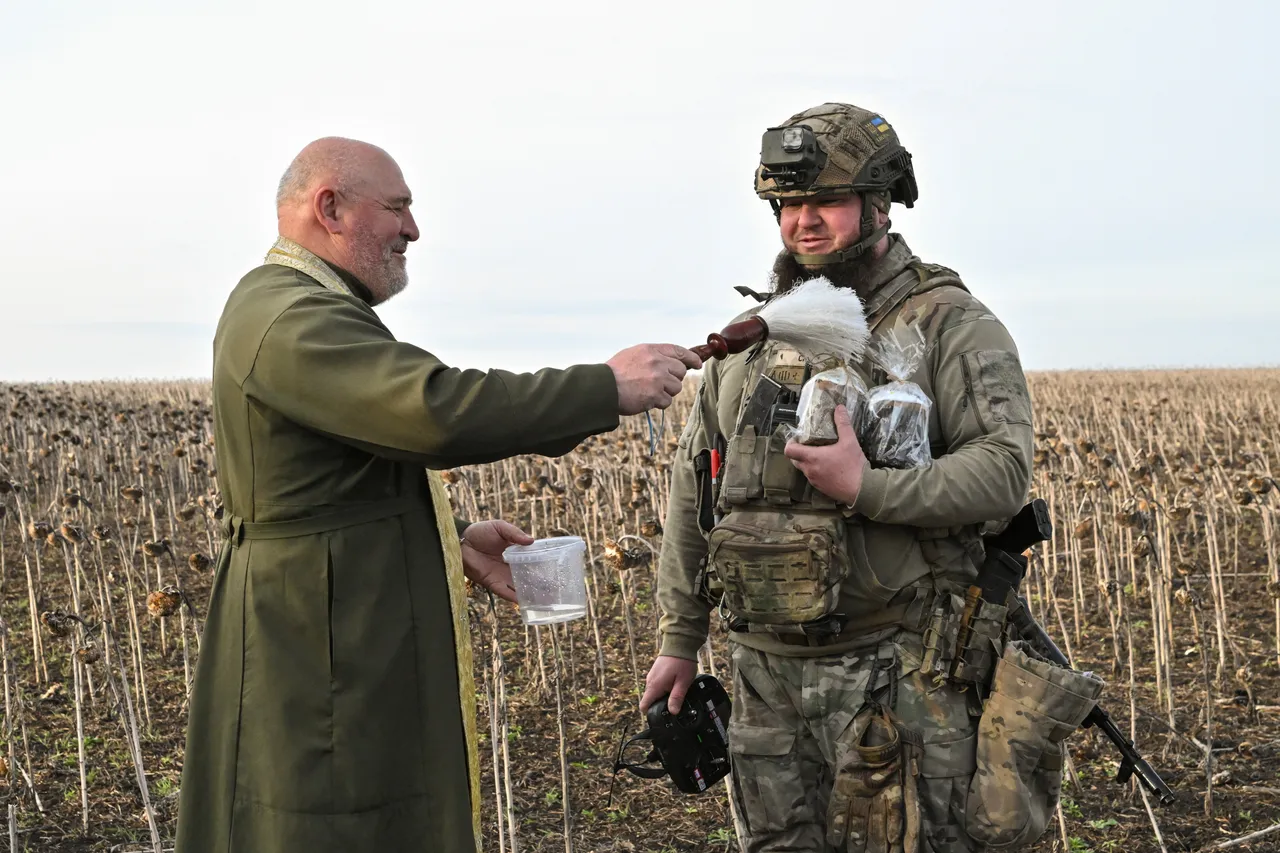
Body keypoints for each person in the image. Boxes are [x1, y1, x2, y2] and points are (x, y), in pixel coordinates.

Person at [175, 136, 702, 853]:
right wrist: (602, 387)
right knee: (322, 819)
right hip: (315, 649)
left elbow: (332, 486)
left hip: (336, 628)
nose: (413, 229)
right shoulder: (289, 316)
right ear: (330, 208)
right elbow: (432, 411)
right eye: (397, 208)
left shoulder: (304, 306)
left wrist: (448, 542)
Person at [642, 104, 1054, 852]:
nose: (803, 221)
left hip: (899, 671)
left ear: (879, 203)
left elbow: (1002, 472)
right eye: (787, 204)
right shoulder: (748, 344)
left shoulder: (949, 323)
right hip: (765, 675)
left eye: (825, 200)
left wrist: (867, 488)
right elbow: (694, 492)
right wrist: (679, 637)